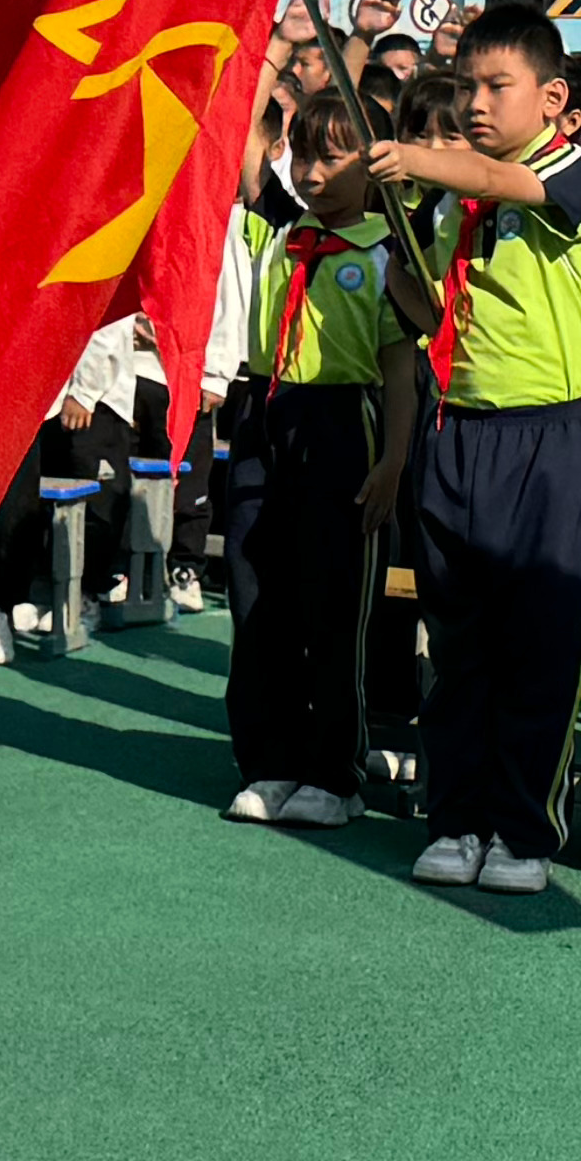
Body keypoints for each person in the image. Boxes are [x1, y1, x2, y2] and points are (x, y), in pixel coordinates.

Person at [365, 2, 581, 897]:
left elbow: (515, 187)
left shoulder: (570, 176)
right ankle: (457, 816)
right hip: (457, 430)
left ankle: (523, 830)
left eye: (496, 86)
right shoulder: (451, 205)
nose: (475, 101)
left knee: (537, 643)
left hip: (547, 438)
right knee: (458, 640)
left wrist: (427, 161)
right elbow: (439, 321)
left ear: (553, 99)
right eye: (465, 85)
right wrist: (406, 281)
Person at [217, 94, 397, 825]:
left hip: (343, 421)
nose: (313, 172)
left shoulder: (390, 249)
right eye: (303, 154)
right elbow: (240, 144)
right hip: (266, 413)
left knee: (333, 602)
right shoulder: (279, 233)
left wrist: (392, 460)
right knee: (257, 594)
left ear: (374, 163)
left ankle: (336, 770)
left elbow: (403, 366)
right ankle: (270, 761)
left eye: (334, 156)